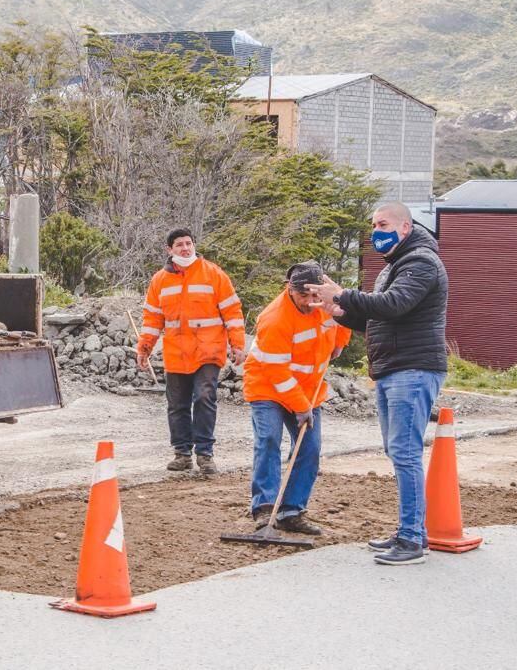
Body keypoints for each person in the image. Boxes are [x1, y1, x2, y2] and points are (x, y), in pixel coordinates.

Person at [307, 202, 448, 566]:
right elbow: (379, 318)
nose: (375, 231)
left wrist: (341, 295)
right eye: (373, 224)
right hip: (393, 368)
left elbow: (394, 305)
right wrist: (341, 313)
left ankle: (413, 539)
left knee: (404, 452)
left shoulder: (420, 262)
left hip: (412, 369)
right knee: (398, 451)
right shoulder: (396, 265)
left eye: (382, 223)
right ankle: (407, 531)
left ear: (404, 227)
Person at [243, 262, 351, 534]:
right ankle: (265, 507)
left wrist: (340, 341)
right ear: (290, 290)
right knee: (268, 440)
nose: (309, 301)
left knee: (310, 448)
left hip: (309, 388)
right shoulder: (275, 319)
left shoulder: (326, 303)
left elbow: (344, 321)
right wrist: (301, 407)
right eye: (303, 295)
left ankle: (292, 510)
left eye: (314, 295)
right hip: (268, 386)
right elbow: (276, 371)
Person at [137, 228, 246, 474]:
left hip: (208, 350)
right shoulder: (160, 281)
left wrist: (237, 344)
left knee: (205, 397)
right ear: (170, 250)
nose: (185, 248)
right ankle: (182, 453)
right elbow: (152, 319)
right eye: (179, 245)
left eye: (188, 243)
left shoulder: (214, 274)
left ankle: (205, 454)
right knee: (177, 404)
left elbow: (232, 312)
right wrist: (145, 347)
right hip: (176, 353)